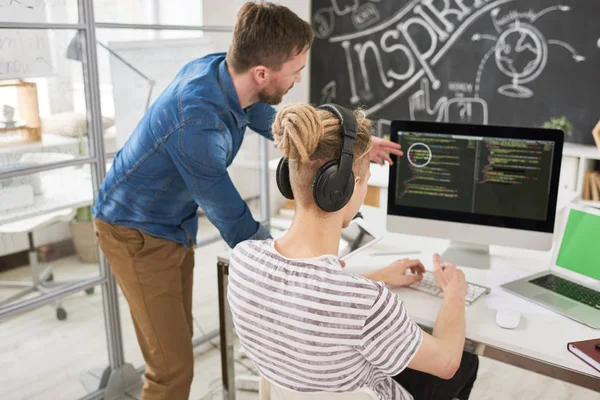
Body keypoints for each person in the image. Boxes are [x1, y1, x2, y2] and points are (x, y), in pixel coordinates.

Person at [92, 2, 403, 399]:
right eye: (295, 71)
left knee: (174, 341)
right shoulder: (196, 125)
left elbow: (271, 122)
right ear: (262, 73)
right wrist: (308, 269)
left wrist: (349, 146)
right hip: (135, 232)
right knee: (171, 370)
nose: (298, 79)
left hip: (173, 223)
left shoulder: (222, 73)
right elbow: (235, 223)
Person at [228, 103, 479, 400]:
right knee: (467, 362)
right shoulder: (368, 304)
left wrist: (378, 276)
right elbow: (447, 363)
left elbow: (313, 301)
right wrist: (454, 294)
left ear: (289, 176)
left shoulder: (243, 260)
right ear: (344, 187)